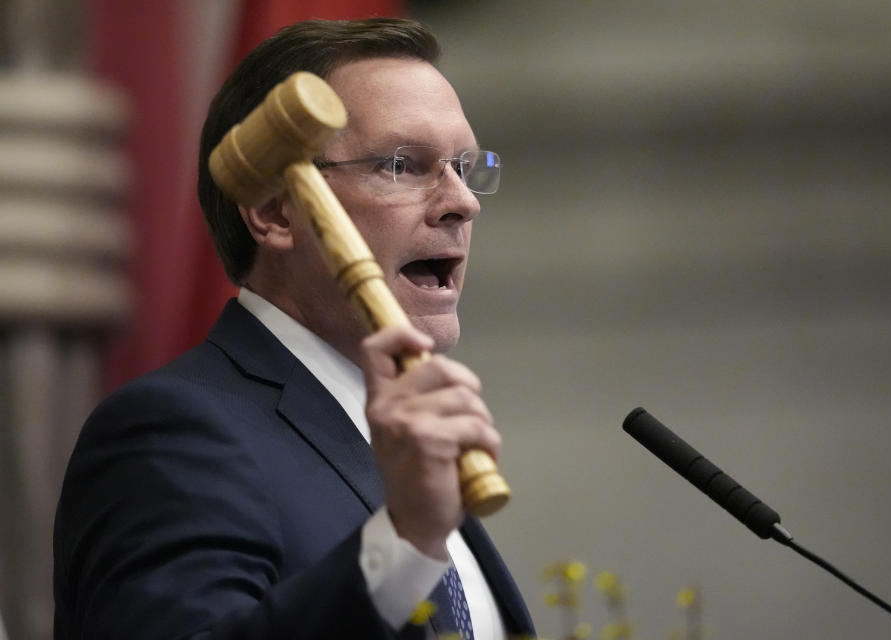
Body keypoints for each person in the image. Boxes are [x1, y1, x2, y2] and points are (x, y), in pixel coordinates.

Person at [53, 18, 534, 640]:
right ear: (276, 212)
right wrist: (405, 541)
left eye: (466, 168)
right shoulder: (172, 433)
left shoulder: (405, 453)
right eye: (401, 164)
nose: (463, 202)